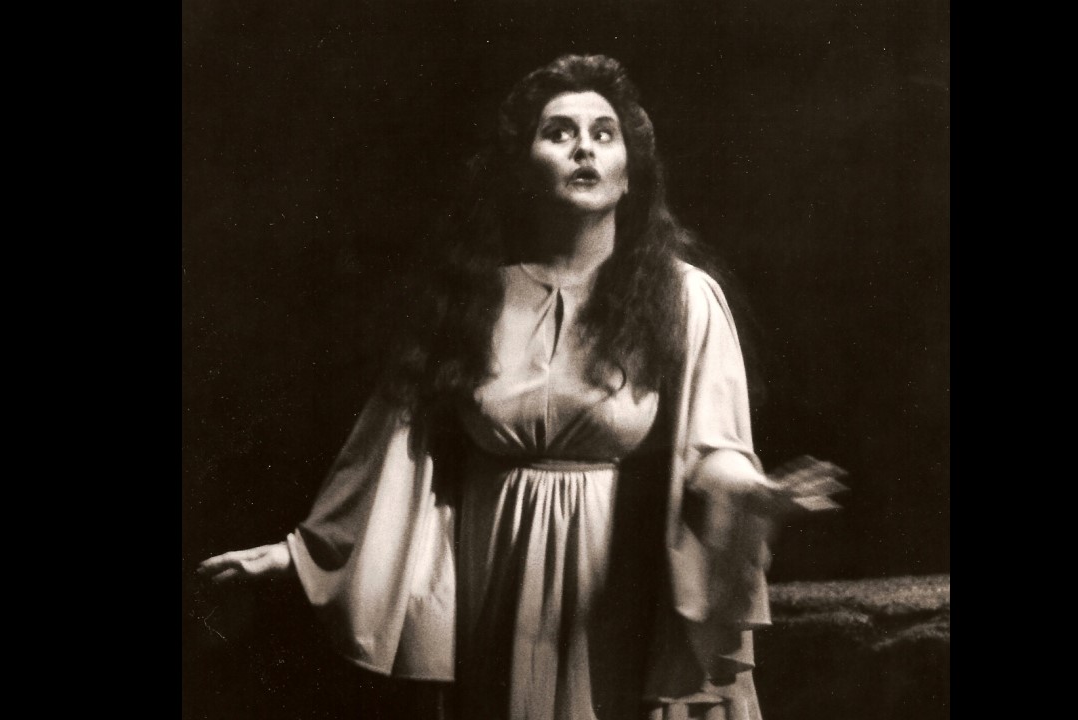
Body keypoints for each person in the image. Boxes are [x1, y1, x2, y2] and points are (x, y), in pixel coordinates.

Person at [197, 54, 846, 720]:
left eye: (604, 133)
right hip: (492, 586)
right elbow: (386, 458)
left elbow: (714, 452)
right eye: (558, 132)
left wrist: (757, 495)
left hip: (617, 594)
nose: (584, 148)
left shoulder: (684, 298)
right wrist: (296, 556)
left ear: (630, 174)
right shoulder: (467, 302)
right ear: (521, 170)